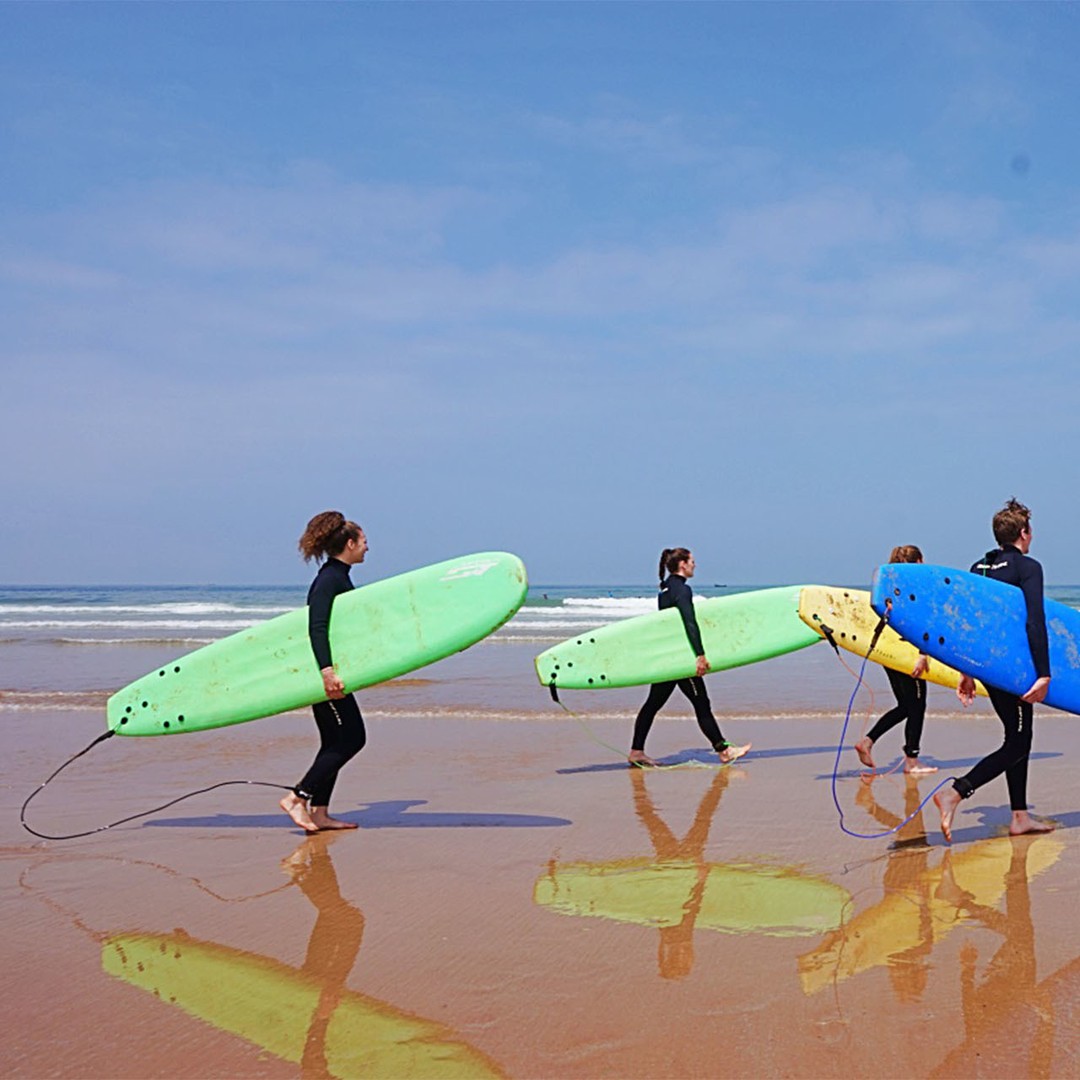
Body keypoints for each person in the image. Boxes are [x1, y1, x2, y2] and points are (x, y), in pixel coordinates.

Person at [933, 499, 1055, 841]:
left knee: (1017, 738)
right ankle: (956, 792)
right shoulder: (1028, 567)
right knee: (1017, 743)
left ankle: (1019, 817)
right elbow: (1035, 621)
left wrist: (967, 671)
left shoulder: (979, 567)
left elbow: (970, 627)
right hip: (1016, 668)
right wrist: (1043, 673)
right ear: (1023, 533)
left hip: (988, 666)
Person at [280, 511, 369, 832]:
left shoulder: (338, 575)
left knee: (333, 741)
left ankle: (319, 812)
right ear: (349, 543)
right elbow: (316, 628)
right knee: (352, 739)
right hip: (325, 674)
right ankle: (296, 797)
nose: (367, 548)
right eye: (363, 542)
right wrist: (327, 672)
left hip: (330, 671)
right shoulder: (330, 579)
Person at [628, 548, 751, 767]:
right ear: (682, 565)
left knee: (652, 705)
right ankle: (724, 750)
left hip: (668, 657)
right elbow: (689, 623)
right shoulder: (683, 590)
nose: (695, 565)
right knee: (701, 703)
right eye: (692, 561)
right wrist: (700, 655)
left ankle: (637, 752)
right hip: (681, 661)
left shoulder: (665, 590)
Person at [854, 545, 938, 775]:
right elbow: (919, 625)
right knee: (917, 707)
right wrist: (922, 655)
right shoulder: (915, 589)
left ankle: (868, 742)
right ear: (919, 562)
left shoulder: (889, 588)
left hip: (889, 654)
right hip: (908, 654)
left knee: (906, 706)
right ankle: (912, 761)